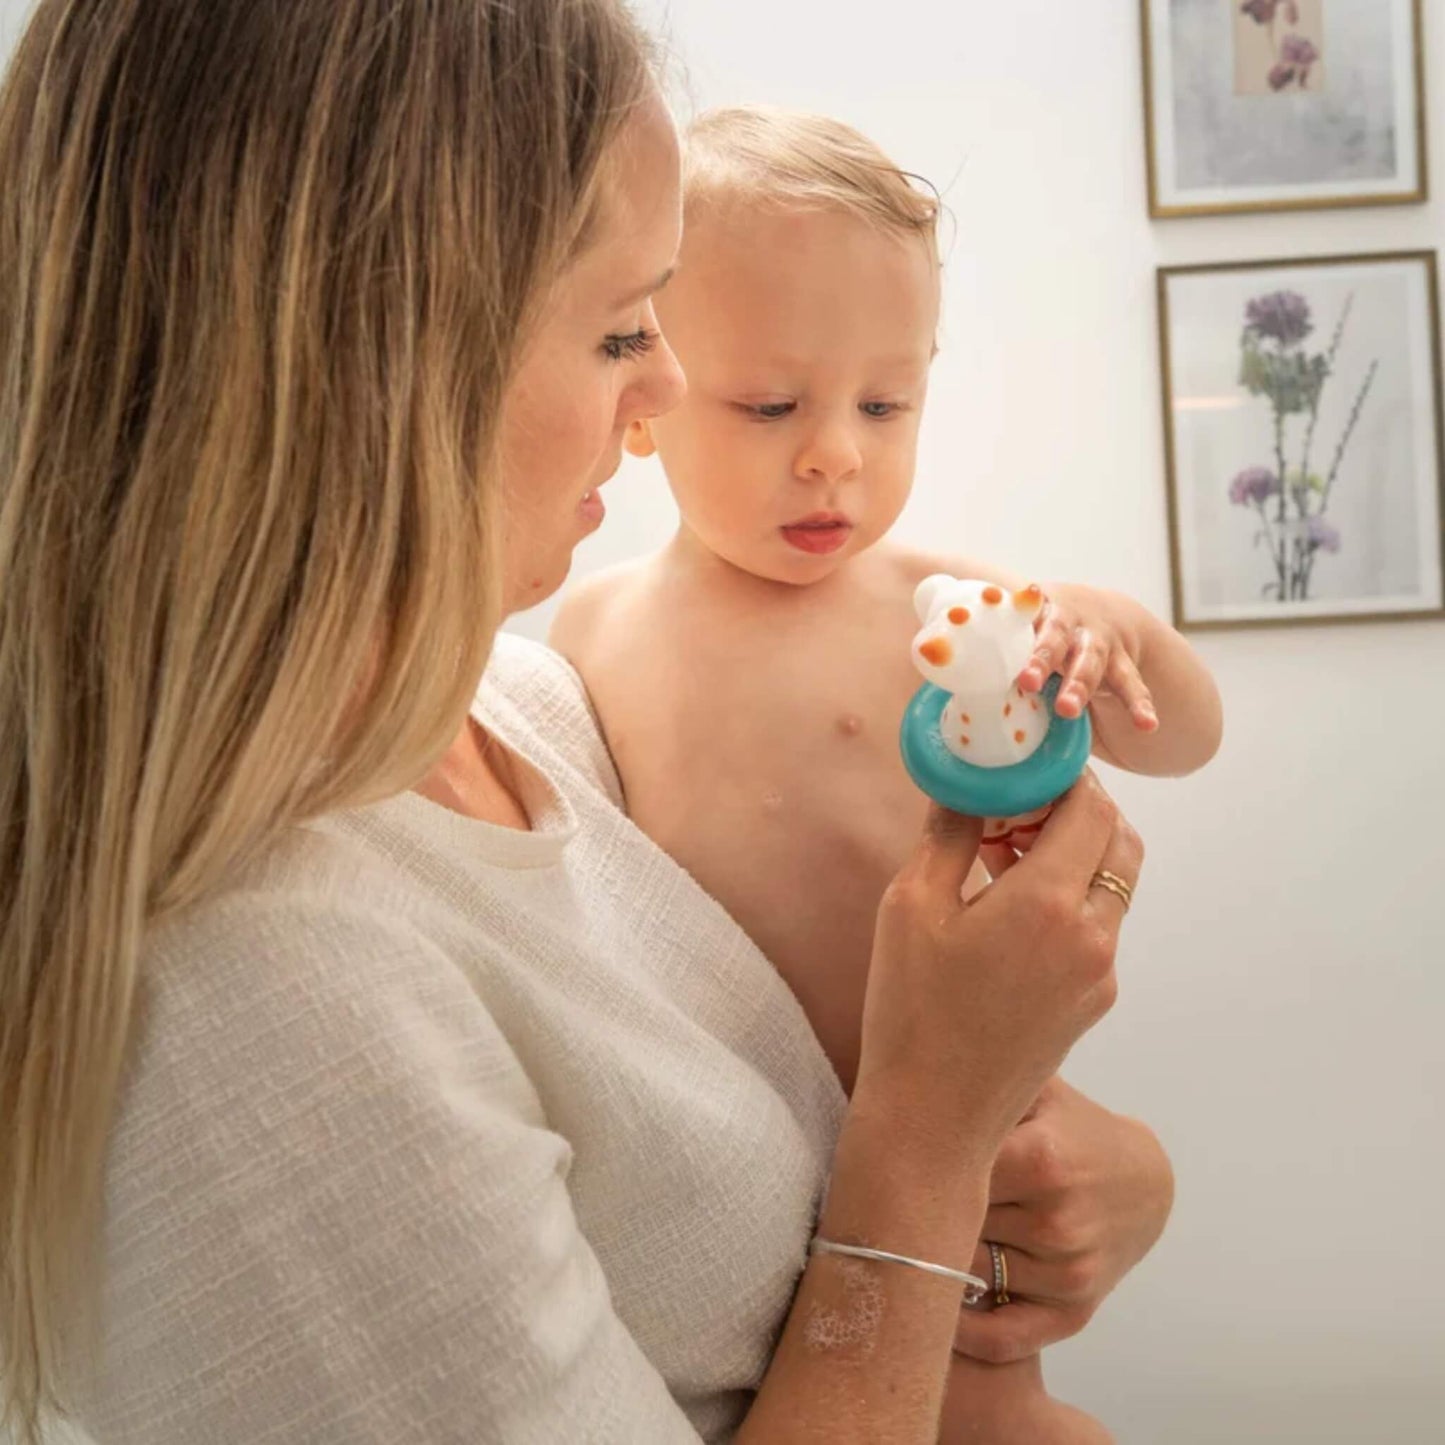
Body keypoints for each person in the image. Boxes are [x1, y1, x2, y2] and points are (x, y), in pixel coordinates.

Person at [0, 6, 1155, 1443]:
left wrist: (1059, 1181)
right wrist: (930, 1129)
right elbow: (886, 1176)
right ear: (376, 358)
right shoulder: (252, 981)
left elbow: (794, 1178)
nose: (666, 388)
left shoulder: (529, 711)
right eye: (621, 327)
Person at [550, 107, 1223, 1439]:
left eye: (884, 401)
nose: (834, 453)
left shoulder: (947, 610)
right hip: (740, 1174)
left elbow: (1180, 737)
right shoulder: (587, 633)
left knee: (1011, 1417)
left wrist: (1113, 632)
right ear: (655, 388)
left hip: (972, 1144)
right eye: (771, 403)